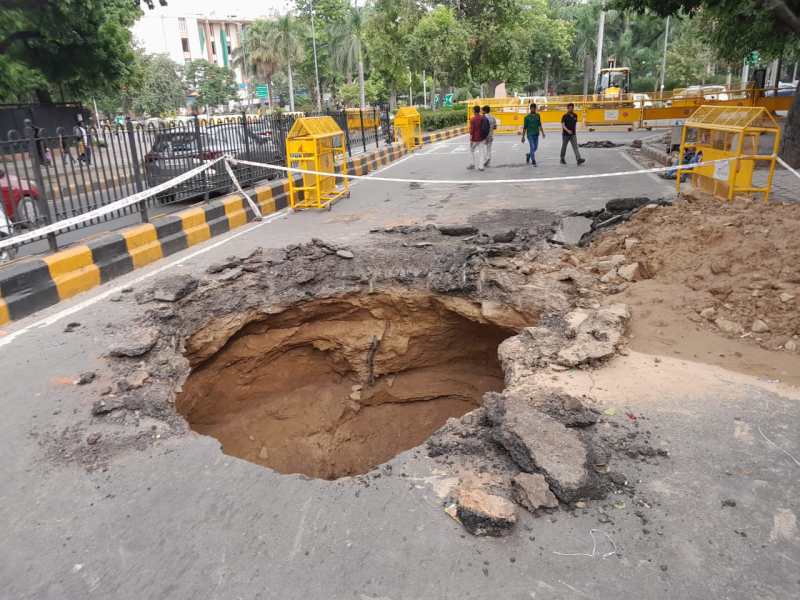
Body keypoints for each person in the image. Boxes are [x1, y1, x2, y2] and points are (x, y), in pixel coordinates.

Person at [468, 105, 488, 171]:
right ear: (479, 110)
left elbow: (472, 130)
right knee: (481, 152)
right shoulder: (483, 118)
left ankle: (472, 164)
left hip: (475, 138)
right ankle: (481, 166)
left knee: (471, 150)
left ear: (474, 111)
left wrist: (471, 139)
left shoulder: (472, 119)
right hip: (482, 137)